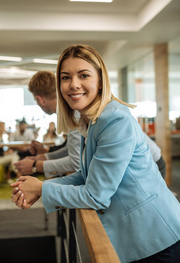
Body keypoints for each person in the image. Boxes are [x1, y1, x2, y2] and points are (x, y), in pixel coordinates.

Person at [11, 45, 180, 263]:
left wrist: (42, 188)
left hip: (157, 236)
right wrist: (38, 189)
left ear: (100, 81)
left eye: (83, 75)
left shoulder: (114, 119)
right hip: (140, 236)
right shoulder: (90, 119)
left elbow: (95, 195)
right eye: (65, 77)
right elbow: (86, 173)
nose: (73, 84)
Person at [14, 71, 80, 178]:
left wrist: (36, 166)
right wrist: (44, 157)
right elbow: (70, 149)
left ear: (40, 100)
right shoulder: (69, 111)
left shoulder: (74, 113)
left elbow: (76, 162)